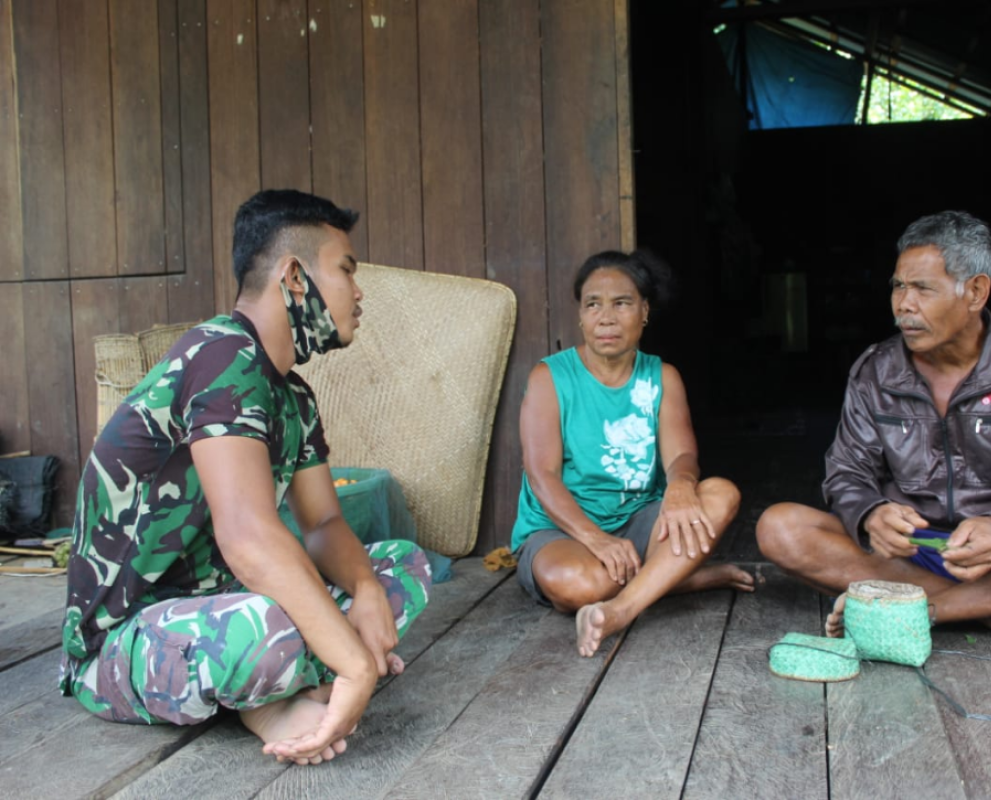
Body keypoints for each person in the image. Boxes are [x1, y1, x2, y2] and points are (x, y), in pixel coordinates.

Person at [60, 190, 431, 766]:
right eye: (345, 271)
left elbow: (325, 523)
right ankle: (300, 683)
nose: (358, 293)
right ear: (295, 277)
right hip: (124, 638)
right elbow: (248, 536)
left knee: (399, 567)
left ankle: (280, 691)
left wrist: (360, 592)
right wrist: (356, 663)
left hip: (224, 602)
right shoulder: (222, 355)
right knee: (272, 627)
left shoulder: (294, 396)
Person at [756, 211, 991, 653]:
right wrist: (870, 513)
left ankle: (932, 610)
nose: (904, 305)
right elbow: (846, 472)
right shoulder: (876, 370)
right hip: (908, 554)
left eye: (922, 289)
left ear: (975, 291)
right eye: (898, 286)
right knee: (779, 528)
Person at [512, 250, 754, 657]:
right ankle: (683, 578)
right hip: (562, 528)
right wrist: (597, 540)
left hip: (640, 520)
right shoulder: (549, 377)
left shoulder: (662, 376)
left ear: (644, 311)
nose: (605, 317)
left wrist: (680, 485)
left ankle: (622, 609)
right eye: (593, 304)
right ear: (581, 315)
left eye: (621, 303)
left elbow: (682, 455)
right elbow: (542, 476)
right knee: (579, 586)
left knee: (721, 494)